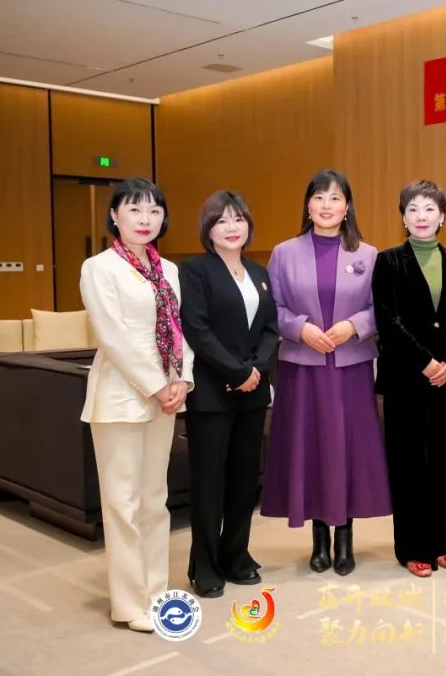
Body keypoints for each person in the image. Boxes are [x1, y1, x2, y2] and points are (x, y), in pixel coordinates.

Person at [260, 169, 390, 577]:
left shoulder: (368, 255)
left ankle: (345, 536)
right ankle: (318, 536)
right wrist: (301, 329)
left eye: (335, 198)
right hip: (303, 368)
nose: (327, 205)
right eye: (319, 197)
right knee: (311, 448)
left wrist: (354, 325)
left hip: (350, 368)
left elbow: (381, 308)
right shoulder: (284, 253)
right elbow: (273, 309)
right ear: (308, 205)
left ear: (347, 207)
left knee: (347, 450)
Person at [79, 177, 194, 632]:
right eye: (134, 209)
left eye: (154, 211)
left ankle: (156, 591)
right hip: (120, 397)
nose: (145, 219)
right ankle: (129, 603)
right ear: (114, 216)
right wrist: (156, 385)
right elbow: (113, 335)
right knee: (122, 504)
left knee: (154, 501)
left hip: (166, 394)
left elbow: (179, 329)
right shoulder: (99, 267)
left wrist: (183, 380)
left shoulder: (169, 269)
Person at [179, 190, 279, 598]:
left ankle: (235, 555)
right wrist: (237, 372)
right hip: (212, 394)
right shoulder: (195, 270)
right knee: (209, 482)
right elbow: (196, 328)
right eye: (221, 220)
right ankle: (203, 564)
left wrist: (256, 370)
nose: (232, 227)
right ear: (208, 229)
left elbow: (270, 328)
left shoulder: (259, 272)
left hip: (252, 392)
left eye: (238, 219)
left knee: (243, 481)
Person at [373, 180, 446, 578]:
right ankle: (413, 546)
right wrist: (425, 362)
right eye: (412, 209)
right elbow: (388, 321)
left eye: (429, 209)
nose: (421, 216)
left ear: (443, 216)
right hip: (405, 379)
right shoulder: (388, 261)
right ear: (403, 217)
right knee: (409, 463)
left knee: (444, 461)